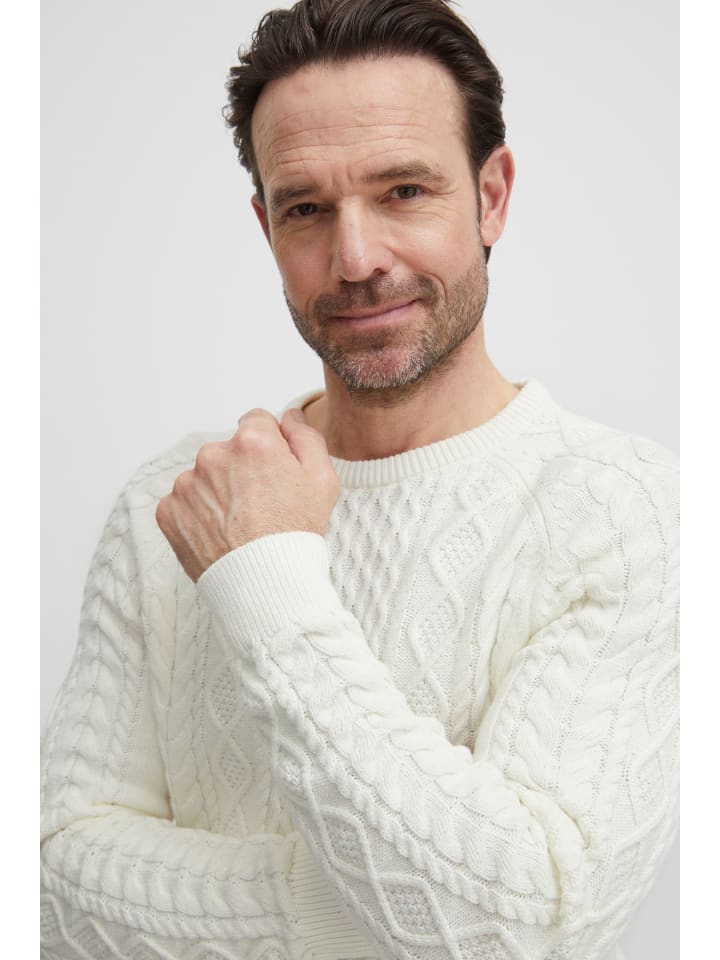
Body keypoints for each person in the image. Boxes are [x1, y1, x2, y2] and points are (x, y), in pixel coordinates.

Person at [40, 1, 679, 958]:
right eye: (305, 208)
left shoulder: (628, 514)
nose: (356, 259)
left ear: (492, 195)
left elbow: (517, 930)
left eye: (404, 191)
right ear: (265, 226)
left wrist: (266, 580)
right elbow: (47, 886)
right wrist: (374, 916)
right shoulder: (174, 502)